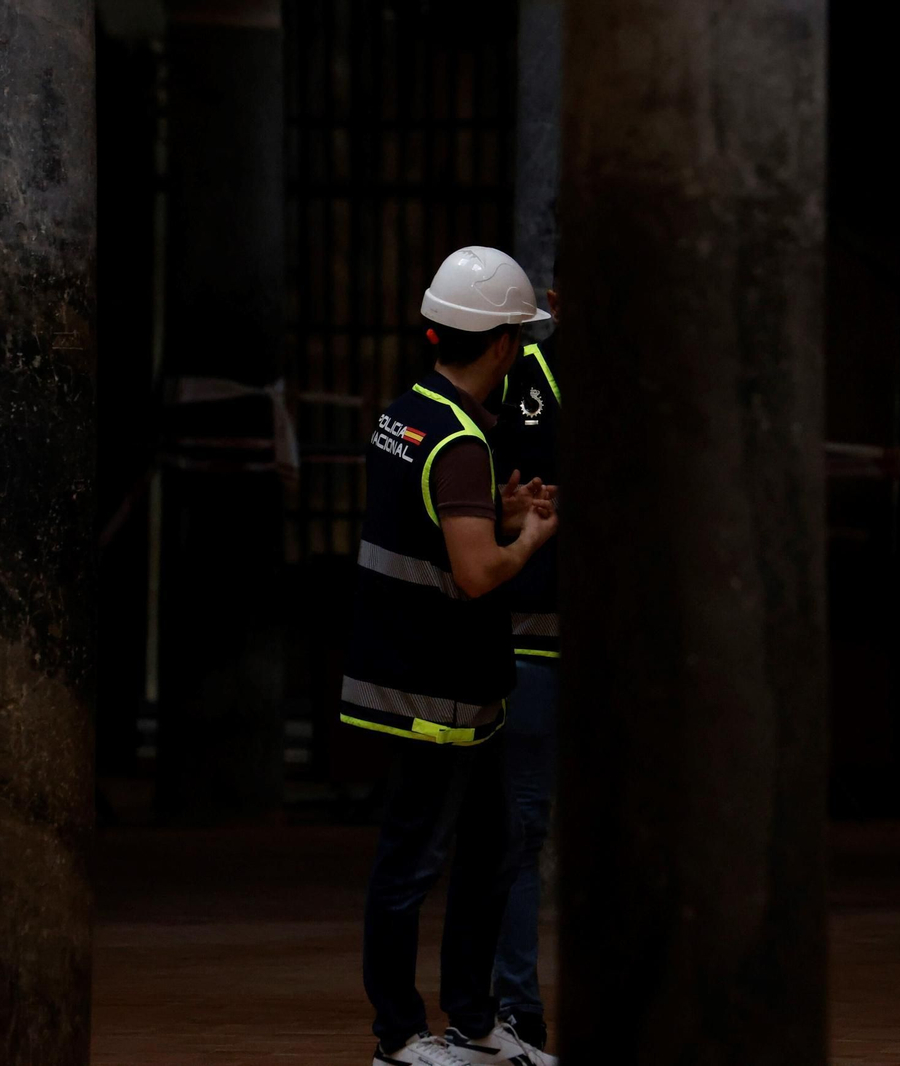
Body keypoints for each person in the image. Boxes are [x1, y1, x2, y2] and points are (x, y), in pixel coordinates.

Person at [341, 247, 559, 1066]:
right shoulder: (462, 441)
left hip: (441, 680)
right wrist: (529, 535)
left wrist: (492, 510)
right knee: (415, 863)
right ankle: (399, 1037)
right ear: (503, 346)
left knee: (487, 848)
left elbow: (432, 525)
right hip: (435, 688)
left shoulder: (408, 415)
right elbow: (474, 573)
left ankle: (473, 1021)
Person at [487, 283, 561, 1053]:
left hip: (636, 661)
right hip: (532, 641)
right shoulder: (518, 371)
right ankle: (515, 1007)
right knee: (521, 826)